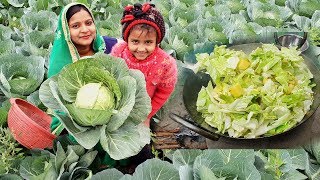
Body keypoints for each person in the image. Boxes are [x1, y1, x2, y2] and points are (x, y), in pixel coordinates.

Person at [47, 2, 120, 169]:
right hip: (76, 120)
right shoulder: (60, 62)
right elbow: (57, 102)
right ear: (66, 31)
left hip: (112, 113)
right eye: (75, 26)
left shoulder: (110, 47)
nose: (85, 30)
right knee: (77, 148)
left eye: (89, 23)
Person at [111, 3, 178, 127]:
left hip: (145, 111)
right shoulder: (118, 52)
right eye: (135, 41)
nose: (141, 49)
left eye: (148, 42)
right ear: (127, 39)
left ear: (157, 41)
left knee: (142, 142)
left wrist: (147, 115)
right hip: (116, 107)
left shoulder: (165, 64)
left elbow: (164, 91)